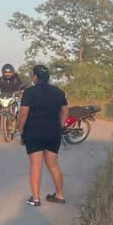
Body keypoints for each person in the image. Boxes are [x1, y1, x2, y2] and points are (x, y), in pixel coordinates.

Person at [17, 65, 68, 207]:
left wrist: (20, 129)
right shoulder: (58, 92)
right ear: (48, 77)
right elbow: (65, 110)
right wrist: (60, 126)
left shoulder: (29, 92)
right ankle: (59, 195)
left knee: (36, 165)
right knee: (53, 165)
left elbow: (23, 113)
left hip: (34, 132)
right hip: (53, 132)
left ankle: (35, 199)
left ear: (35, 77)